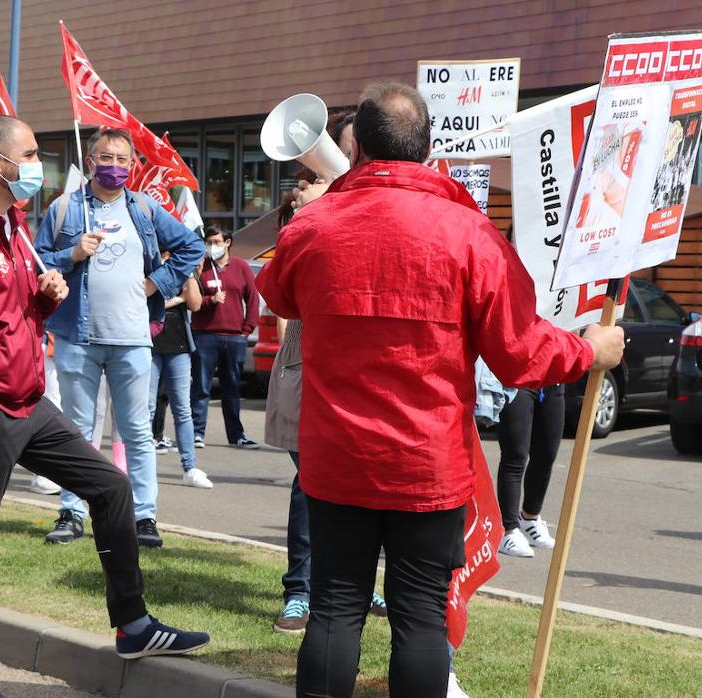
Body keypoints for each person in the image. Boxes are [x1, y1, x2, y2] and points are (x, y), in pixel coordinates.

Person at [257, 81, 625, 698]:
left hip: (338, 458)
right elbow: (520, 352)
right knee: (420, 615)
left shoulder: (315, 224)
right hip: (426, 465)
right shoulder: (469, 232)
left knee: (334, 607)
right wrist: (589, 350)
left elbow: (276, 295)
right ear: (430, 150)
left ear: (360, 148)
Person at [0, 115, 208, 698]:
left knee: (110, 486)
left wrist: (41, 292)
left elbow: (7, 311)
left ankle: (132, 625)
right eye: (28, 154)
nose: (38, 165)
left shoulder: (15, 227)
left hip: (28, 400)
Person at [35, 127, 204, 549]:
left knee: (136, 432)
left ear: (133, 165)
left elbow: (191, 247)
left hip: (133, 338)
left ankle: (143, 517)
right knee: (77, 432)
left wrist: (157, 284)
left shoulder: (144, 208)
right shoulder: (64, 209)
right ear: (90, 161)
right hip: (77, 337)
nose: (114, 166)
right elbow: (35, 263)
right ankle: (72, 510)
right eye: (105, 158)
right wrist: (72, 255)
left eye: (122, 159)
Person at [265, 112, 388, 635]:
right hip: (307, 364)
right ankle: (301, 589)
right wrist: (305, 220)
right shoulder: (305, 215)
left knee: (361, 486)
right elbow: (278, 292)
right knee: (310, 483)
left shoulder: (378, 206)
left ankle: (354, 581)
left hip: (359, 368)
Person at [191, 225, 260, 448]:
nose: (212, 247)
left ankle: (236, 435)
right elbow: (190, 301)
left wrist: (247, 329)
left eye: (217, 242)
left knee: (232, 388)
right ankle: (196, 433)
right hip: (205, 336)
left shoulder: (241, 267)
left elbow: (252, 300)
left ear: (227, 242)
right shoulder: (201, 267)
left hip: (234, 338)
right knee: (201, 387)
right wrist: (210, 300)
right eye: (209, 242)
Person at [150, 253, 212, 488]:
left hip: (179, 346)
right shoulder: (151, 265)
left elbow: (195, 304)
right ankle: (143, 466)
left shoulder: (185, 270)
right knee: (146, 408)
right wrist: (178, 299)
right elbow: (148, 302)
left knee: (182, 409)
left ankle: (190, 467)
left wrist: (188, 275)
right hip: (151, 343)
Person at [494, 384, 566, 558]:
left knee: (546, 454)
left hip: (552, 380)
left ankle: (529, 517)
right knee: (515, 456)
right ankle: (508, 530)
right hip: (517, 381)